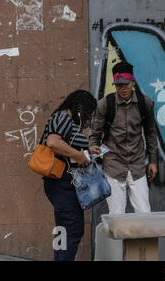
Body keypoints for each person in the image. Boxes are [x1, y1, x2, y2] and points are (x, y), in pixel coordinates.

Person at [89, 61, 158, 214]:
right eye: (119, 85)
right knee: (117, 216)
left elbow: (151, 133)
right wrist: (93, 147)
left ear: (133, 82)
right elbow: (95, 134)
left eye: (126, 84)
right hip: (113, 164)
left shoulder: (144, 103)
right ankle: (118, 239)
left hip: (137, 165)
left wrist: (153, 161)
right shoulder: (105, 104)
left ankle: (142, 239)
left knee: (144, 213)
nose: (122, 88)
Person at [42, 89, 97, 261]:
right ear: (80, 107)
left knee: (63, 228)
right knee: (73, 227)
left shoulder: (66, 120)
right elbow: (53, 142)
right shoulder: (62, 117)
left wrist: (88, 149)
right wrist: (79, 155)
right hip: (60, 182)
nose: (87, 116)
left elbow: (66, 142)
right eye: (87, 111)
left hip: (63, 182)